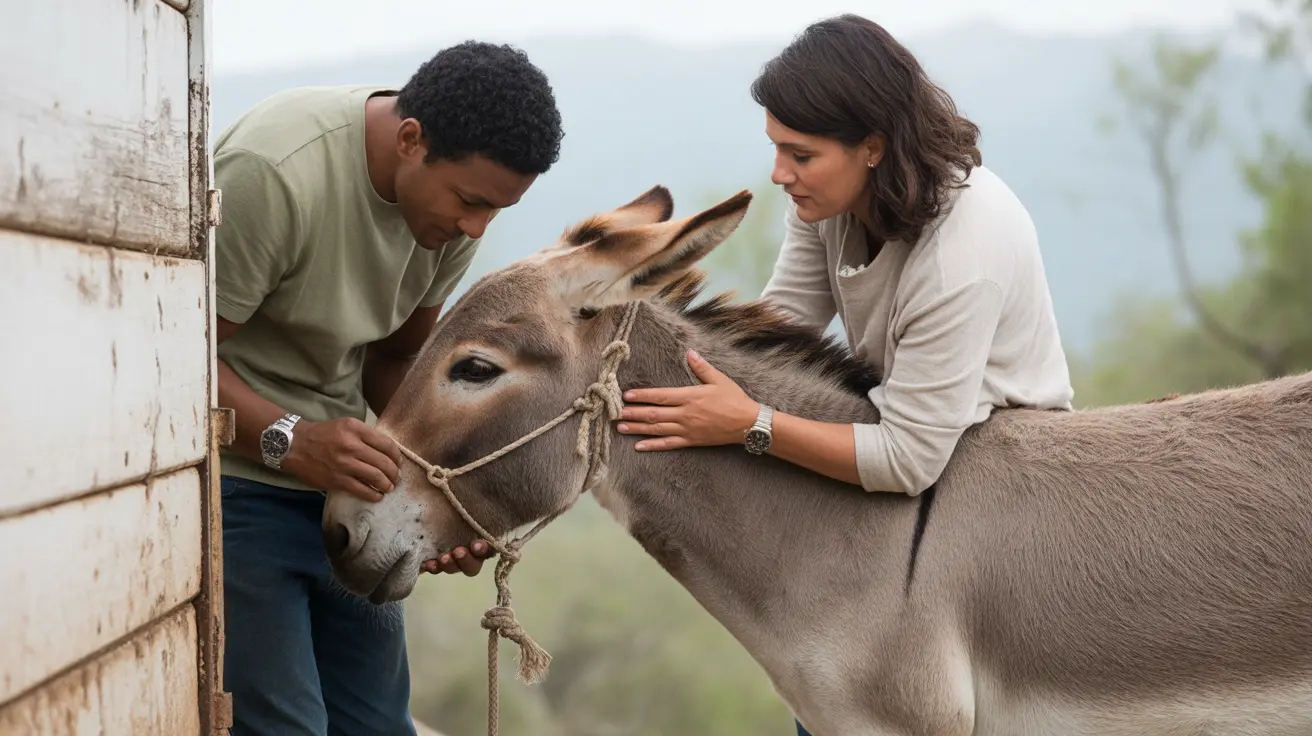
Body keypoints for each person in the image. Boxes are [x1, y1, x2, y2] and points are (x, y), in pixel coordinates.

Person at [613, 15, 1074, 735]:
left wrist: (749, 425)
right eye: (774, 148)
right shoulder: (829, 199)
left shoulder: (964, 252)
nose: (777, 174)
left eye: (799, 153)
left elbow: (910, 457)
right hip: (893, 452)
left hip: (989, 477)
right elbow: (781, 331)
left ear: (872, 148)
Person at [213, 41, 564, 735]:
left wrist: (449, 493)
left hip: (348, 487)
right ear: (410, 140)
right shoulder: (274, 173)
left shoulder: (448, 219)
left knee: (377, 726)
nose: (475, 229)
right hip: (234, 487)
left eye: (496, 210)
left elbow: (397, 358)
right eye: (470, 202)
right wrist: (292, 442)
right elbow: (165, 358)